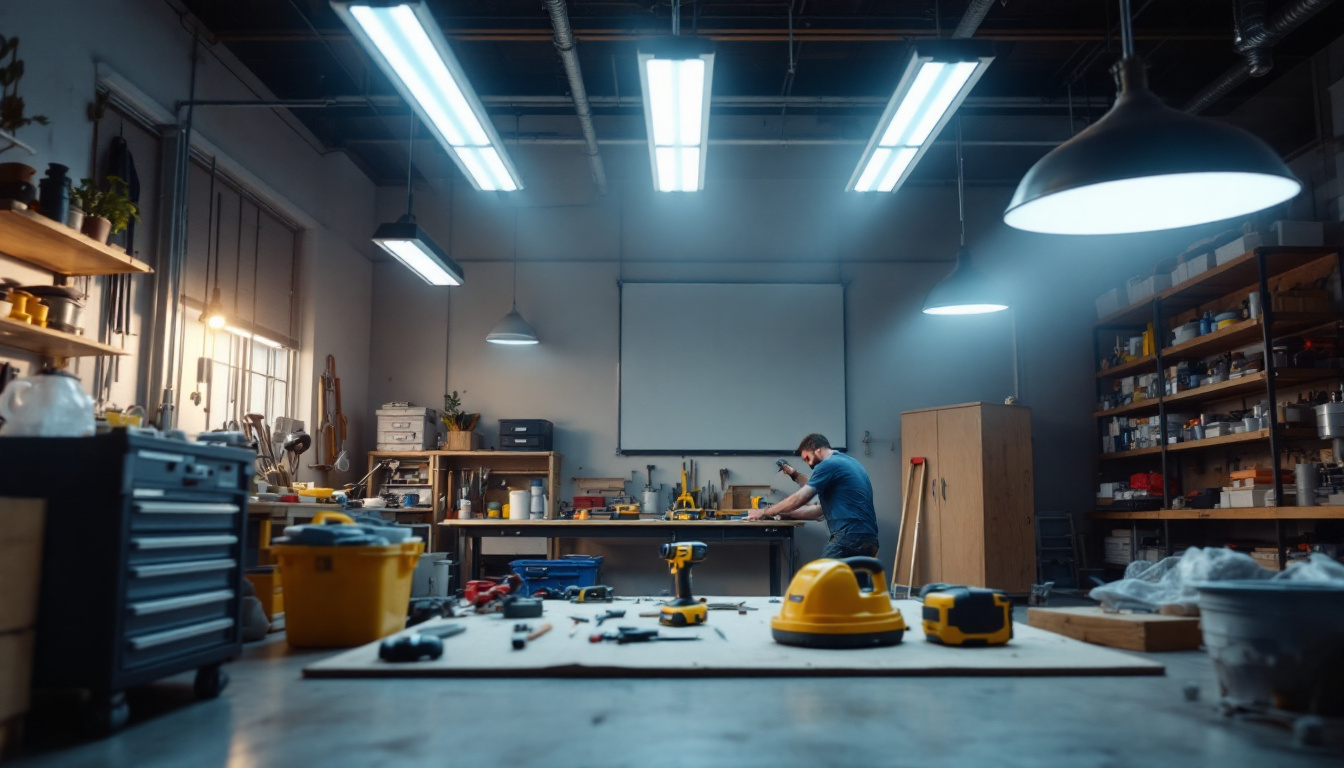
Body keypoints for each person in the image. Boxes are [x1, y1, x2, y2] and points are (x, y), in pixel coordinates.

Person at [746, 433, 880, 559]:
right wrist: (788, 514)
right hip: (869, 540)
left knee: (820, 581)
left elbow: (800, 498)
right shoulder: (851, 463)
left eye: (807, 458)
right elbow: (818, 512)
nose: (809, 464)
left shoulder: (827, 465)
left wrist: (764, 511)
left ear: (818, 450)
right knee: (855, 584)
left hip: (848, 537)